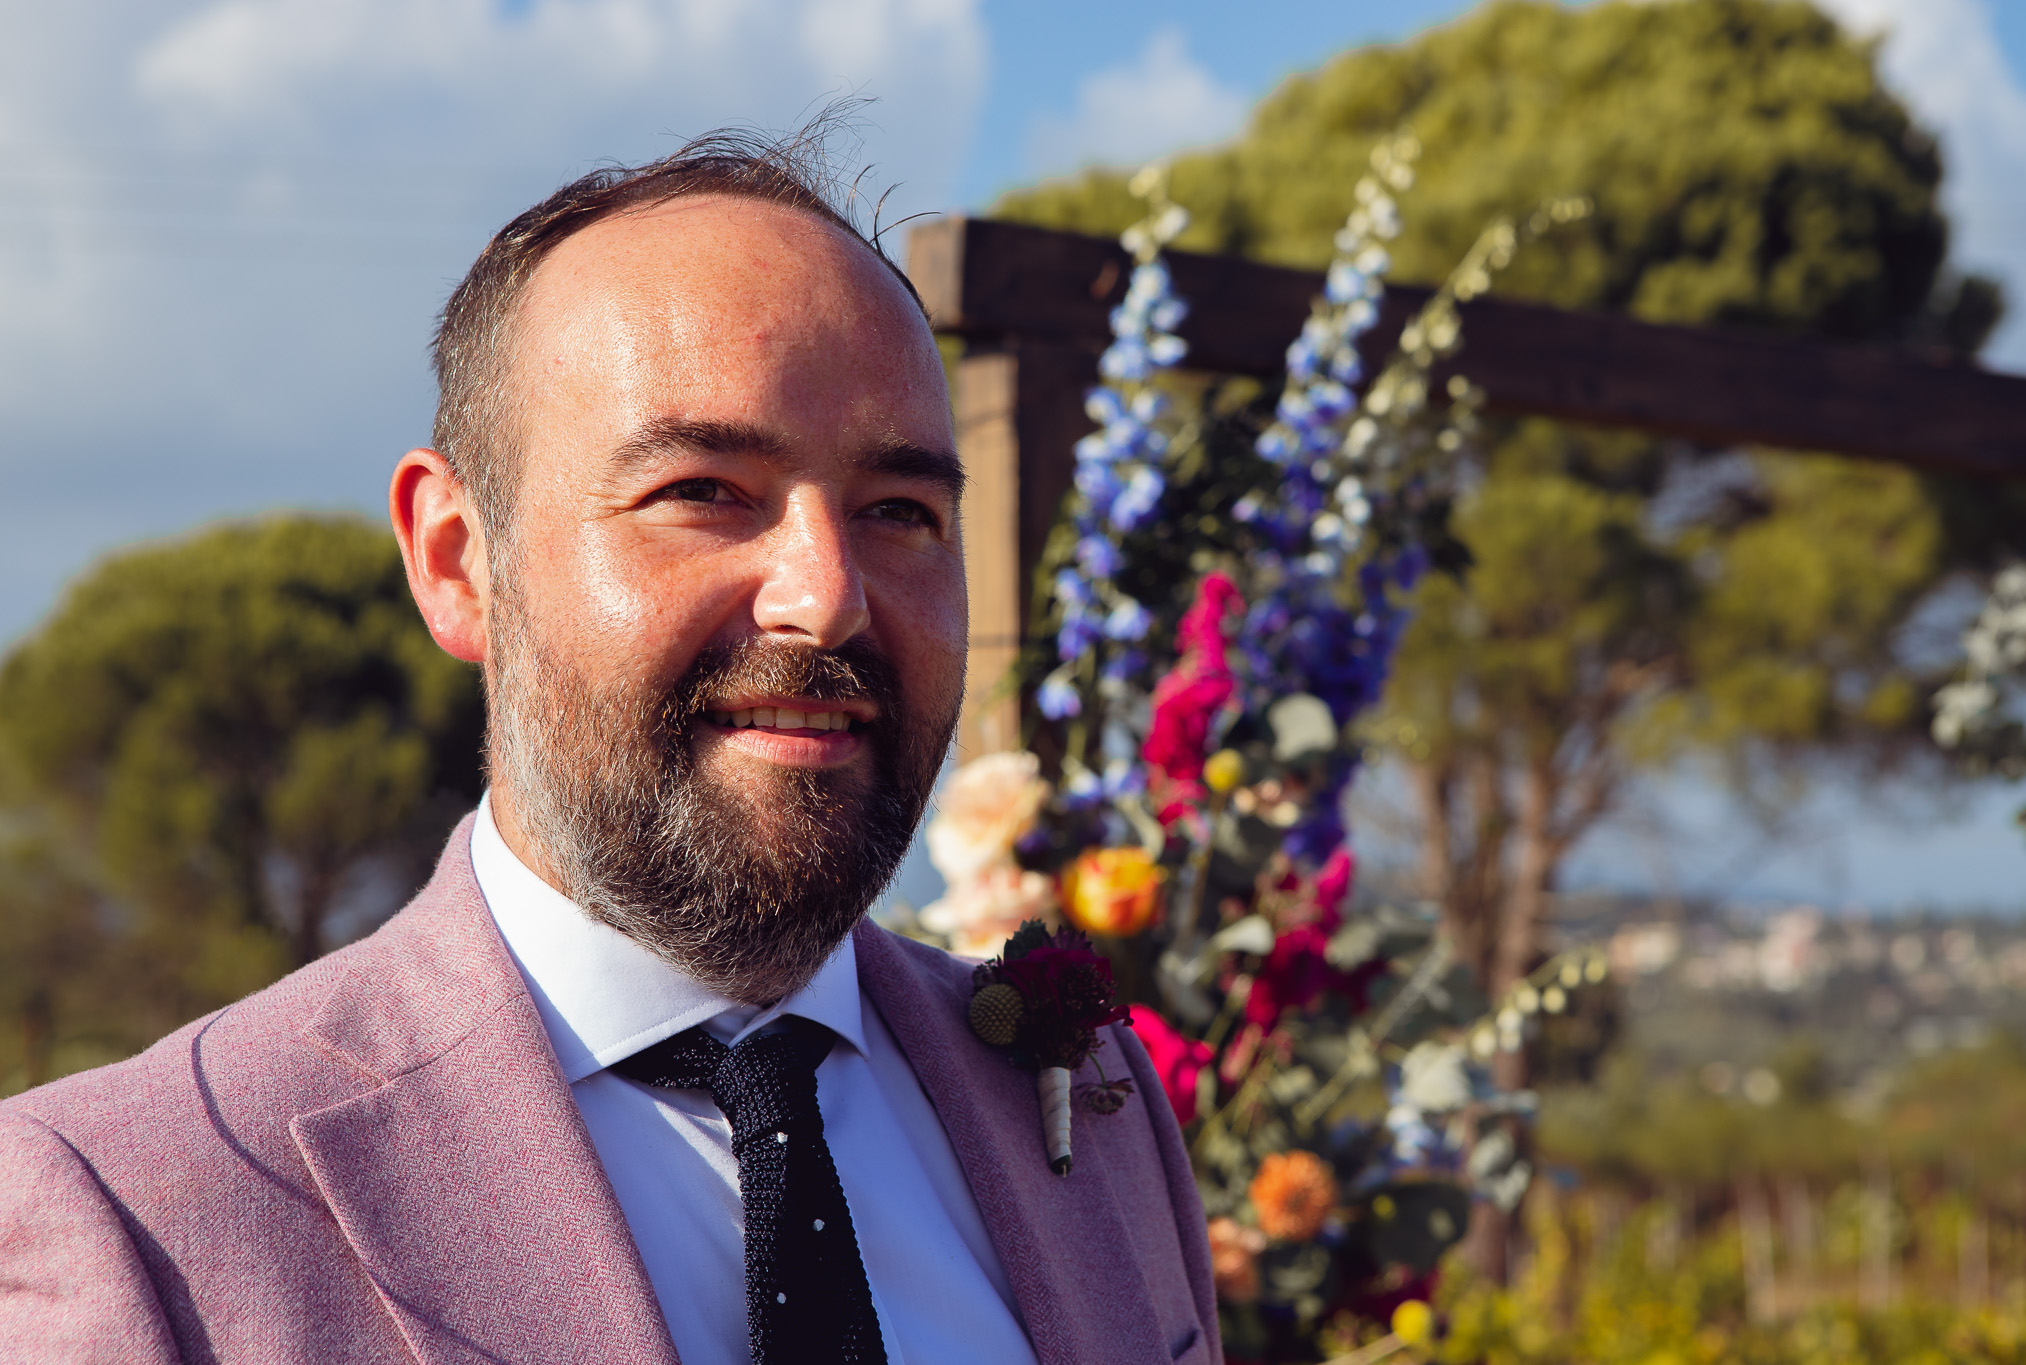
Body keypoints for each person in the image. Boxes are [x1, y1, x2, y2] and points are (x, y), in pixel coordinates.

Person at [0, 130, 1219, 1365]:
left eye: (900, 512)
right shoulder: (134, 1211)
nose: (826, 596)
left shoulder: (1082, 1094)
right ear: (456, 560)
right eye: (701, 491)